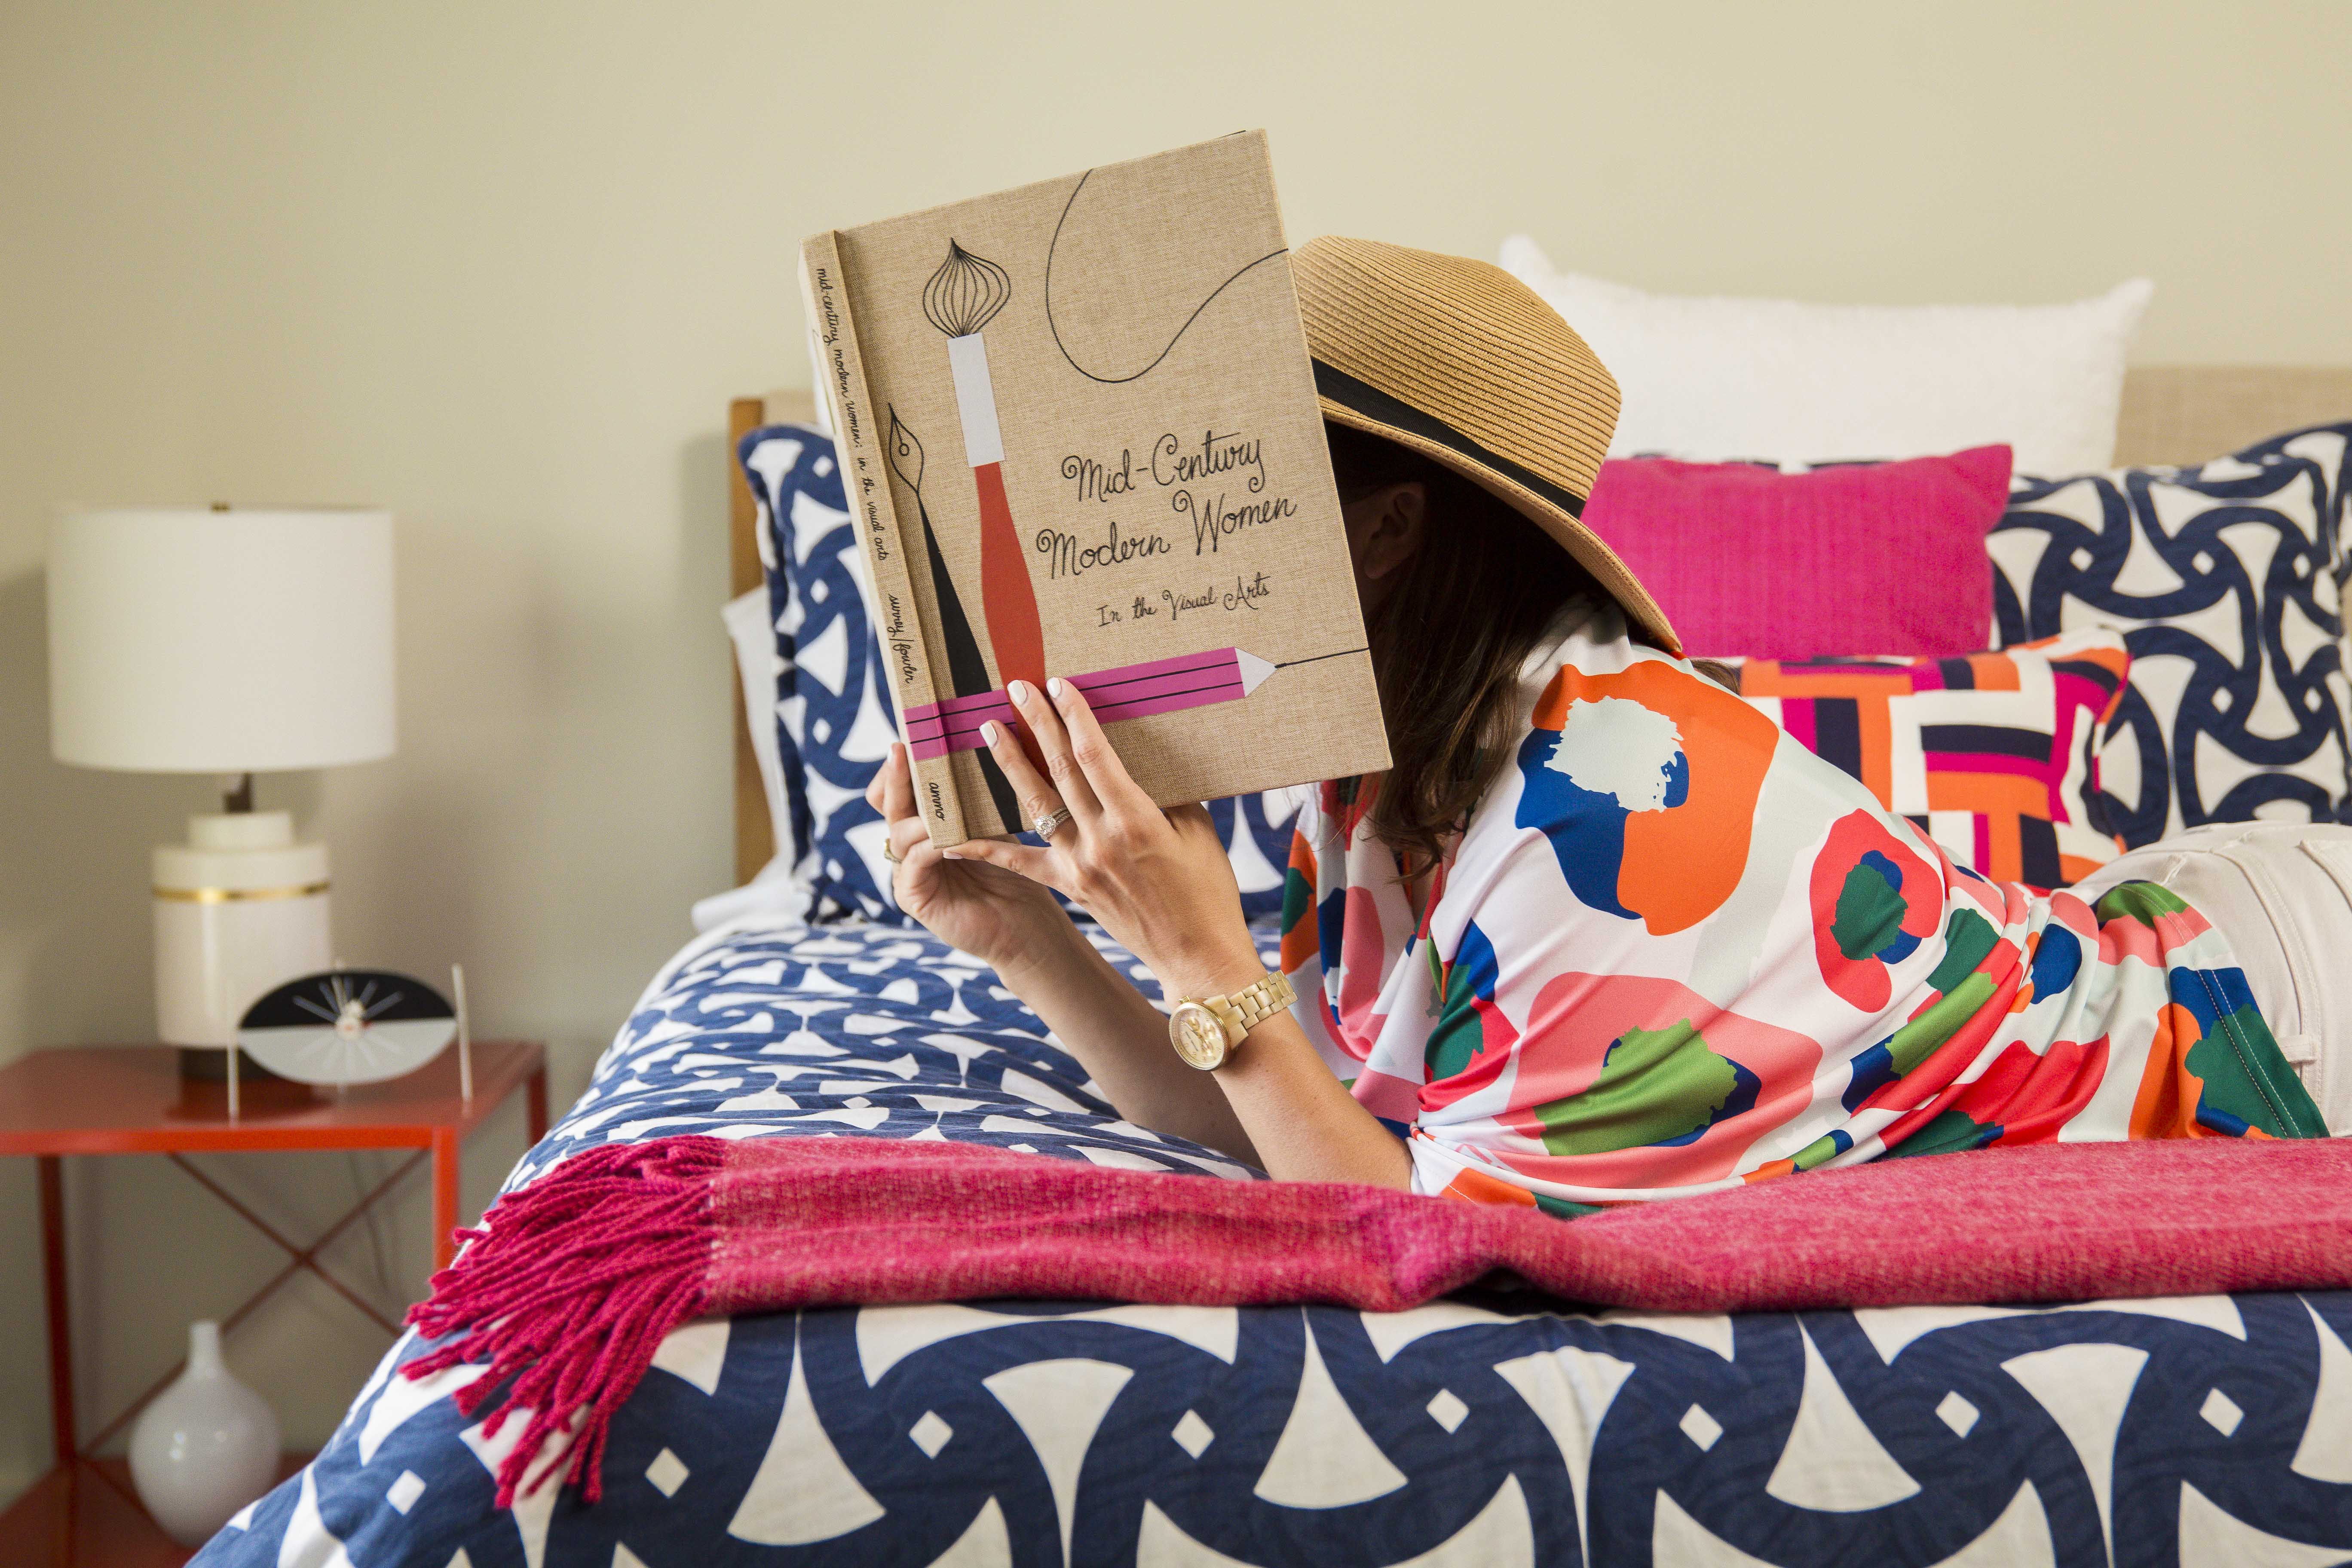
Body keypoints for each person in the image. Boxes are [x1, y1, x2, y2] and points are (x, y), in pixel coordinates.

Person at [865, 236, 2340, 1209]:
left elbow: (1399, 1239)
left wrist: (1200, 948)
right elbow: (1282, 1113)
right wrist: (1024, 933)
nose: (1163, 536)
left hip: (2261, 1035)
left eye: (1217, 483)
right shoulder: (1385, 764)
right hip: (2158, 925)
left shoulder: (1598, 806)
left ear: (1384, 536)